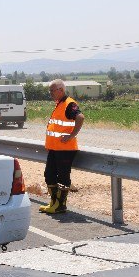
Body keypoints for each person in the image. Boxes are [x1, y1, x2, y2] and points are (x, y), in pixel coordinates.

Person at [39, 79, 84, 214]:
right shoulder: (59, 104)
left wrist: (71, 135)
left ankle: (60, 205)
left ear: (61, 90)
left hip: (65, 149)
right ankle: (53, 203)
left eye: (53, 90)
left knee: (63, 177)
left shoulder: (69, 104)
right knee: (49, 175)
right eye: (50, 91)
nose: (51, 93)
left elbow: (80, 117)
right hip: (54, 148)